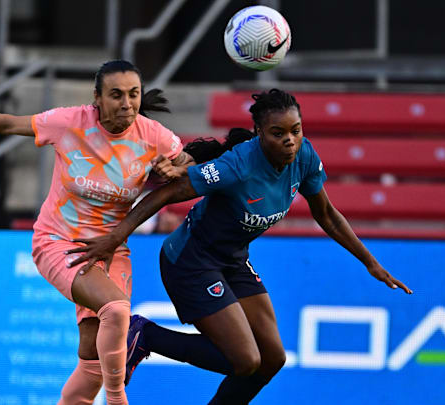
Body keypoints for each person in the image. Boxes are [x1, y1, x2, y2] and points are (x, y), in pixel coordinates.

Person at [66, 89, 413, 404]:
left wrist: (370, 262)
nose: (290, 140)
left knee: (272, 359)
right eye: (278, 133)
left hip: (232, 261)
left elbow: (327, 215)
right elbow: (168, 192)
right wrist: (116, 235)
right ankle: (146, 334)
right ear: (260, 134)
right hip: (189, 261)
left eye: (296, 130)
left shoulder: (304, 157)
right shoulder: (237, 165)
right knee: (245, 360)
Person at [0, 60, 193, 405]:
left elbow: (187, 161)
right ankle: (117, 398)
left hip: (111, 247)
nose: (127, 103)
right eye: (116, 95)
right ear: (97, 99)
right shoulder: (70, 122)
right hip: (59, 242)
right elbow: (8, 123)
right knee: (117, 310)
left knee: (92, 358)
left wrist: (175, 166)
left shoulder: (154, 135)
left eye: (134, 94)